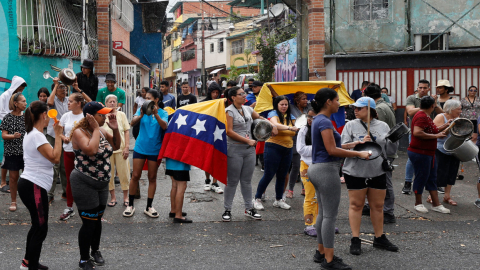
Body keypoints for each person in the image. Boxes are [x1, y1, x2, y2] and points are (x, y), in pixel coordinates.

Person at [308, 88, 370, 270]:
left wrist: (354, 144)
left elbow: (332, 145)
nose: (339, 104)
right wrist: (358, 153)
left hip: (317, 169)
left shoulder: (319, 120)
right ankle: (329, 259)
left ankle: (321, 252)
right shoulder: (325, 122)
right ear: (328, 101)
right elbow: (332, 150)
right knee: (329, 216)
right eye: (337, 100)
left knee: (322, 214)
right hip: (327, 170)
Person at [341, 97, 398, 256]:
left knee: (378, 205)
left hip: (377, 169)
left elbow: (390, 150)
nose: (355, 110)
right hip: (355, 170)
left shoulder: (383, 126)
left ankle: (379, 237)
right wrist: (357, 143)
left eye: (359, 108)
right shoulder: (350, 125)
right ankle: (355, 239)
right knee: (356, 205)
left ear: (370, 110)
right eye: (355, 108)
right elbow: (342, 145)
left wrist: (394, 139)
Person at [70, 101, 120, 269]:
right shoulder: (79, 132)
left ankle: (95, 250)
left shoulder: (104, 130)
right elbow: (91, 150)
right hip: (84, 182)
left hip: (102, 184)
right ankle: (84, 259)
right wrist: (97, 129)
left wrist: (115, 128)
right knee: (89, 223)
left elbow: (117, 146)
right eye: (101, 114)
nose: (105, 116)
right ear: (90, 117)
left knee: (97, 220)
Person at [18, 100, 62, 270]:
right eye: (49, 114)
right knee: (41, 228)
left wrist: (60, 137)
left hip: (32, 184)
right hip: (33, 185)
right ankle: (31, 266)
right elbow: (55, 158)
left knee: (38, 226)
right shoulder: (36, 135)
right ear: (44, 115)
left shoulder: (33, 134)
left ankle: (28, 263)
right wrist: (58, 134)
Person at [221, 87, 275, 222]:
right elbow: (229, 131)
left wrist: (270, 124)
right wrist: (248, 140)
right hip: (234, 149)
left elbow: (260, 118)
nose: (244, 96)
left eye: (244, 93)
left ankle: (249, 208)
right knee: (232, 181)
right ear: (233, 97)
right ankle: (227, 210)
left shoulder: (248, 109)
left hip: (249, 150)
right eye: (241, 94)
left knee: (246, 181)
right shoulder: (229, 111)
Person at [124, 90, 168, 218]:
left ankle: (149, 206)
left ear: (156, 100)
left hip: (154, 149)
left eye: (149, 98)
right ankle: (130, 205)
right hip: (140, 147)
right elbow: (132, 123)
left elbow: (165, 126)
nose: (146, 100)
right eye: (145, 98)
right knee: (135, 175)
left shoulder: (163, 113)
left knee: (152, 177)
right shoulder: (141, 110)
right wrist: (141, 115)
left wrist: (156, 115)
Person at [253, 96, 298, 211]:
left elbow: (293, 133)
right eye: (281, 104)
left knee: (282, 175)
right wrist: (288, 128)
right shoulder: (273, 113)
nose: (284, 106)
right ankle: (257, 198)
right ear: (277, 105)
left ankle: (278, 200)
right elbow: (276, 124)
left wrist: (281, 129)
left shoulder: (291, 116)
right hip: (273, 147)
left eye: (286, 104)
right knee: (268, 174)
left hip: (288, 148)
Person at [408, 96, 450, 214]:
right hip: (420, 152)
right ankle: (418, 203)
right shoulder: (421, 116)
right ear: (432, 106)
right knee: (421, 177)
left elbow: (433, 130)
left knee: (432, 177)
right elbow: (417, 132)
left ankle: (436, 204)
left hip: (428, 153)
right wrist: (436, 136)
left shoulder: (425, 115)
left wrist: (447, 125)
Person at [363, 85, 398, 223]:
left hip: (383, 150)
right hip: (385, 148)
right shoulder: (385, 104)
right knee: (374, 179)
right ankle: (370, 206)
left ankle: (388, 212)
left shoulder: (378, 109)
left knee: (385, 181)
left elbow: (378, 132)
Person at [403, 79, 443, 195]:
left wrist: (434, 103)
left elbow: (441, 112)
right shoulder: (411, 98)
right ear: (417, 88)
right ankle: (407, 182)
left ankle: (432, 184)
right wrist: (426, 106)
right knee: (412, 158)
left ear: (429, 89)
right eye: (420, 87)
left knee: (432, 158)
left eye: (425, 88)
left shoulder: (433, 99)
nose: (422, 90)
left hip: (431, 131)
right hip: (415, 132)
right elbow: (410, 112)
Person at [58, 93, 86, 221]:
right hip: (68, 152)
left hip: (83, 153)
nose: (68, 103)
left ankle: (87, 208)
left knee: (84, 180)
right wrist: (64, 138)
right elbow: (59, 132)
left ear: (79, 103)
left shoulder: (85, 116)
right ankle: (69, 207)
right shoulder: (65, 116)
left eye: (70, 101)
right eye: (68, 101)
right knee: (70, 180)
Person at [432, 100, 461, 207]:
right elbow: (437, 133)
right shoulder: (440, 117)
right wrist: (450, 125)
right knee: (439, 172)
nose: (460, 111)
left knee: (452, 173)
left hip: (454, 149)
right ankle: (431, 196)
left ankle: (447, 196)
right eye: (458, 109)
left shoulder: (458, 119)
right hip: (441, 149)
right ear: (451, 109)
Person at [0, 93, 27, 211]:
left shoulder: (27, 117)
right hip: (12, 152)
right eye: (23, 101)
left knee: (27, 179)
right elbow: (4, 136)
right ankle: (13, 201)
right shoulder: (7, 118)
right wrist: (13, 136)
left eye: (25, 101)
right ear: (16, 103)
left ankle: (28, 201)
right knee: (13, 178)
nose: (26, 104)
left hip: (26, 153)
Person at [103, 95, 131, 208]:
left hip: (121, 149)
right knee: (109, 174)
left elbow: (126, 131)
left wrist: (127, 147)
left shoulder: (121, 115)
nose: (112, 103)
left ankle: (126, 197)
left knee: (124, 173)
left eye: (114, 101)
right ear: (106, 103)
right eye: (110, 101)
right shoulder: (102, 115)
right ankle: (113, 198)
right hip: (106, 150)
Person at [46, 78, 69, 203]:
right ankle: (50, 193)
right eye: (61, 88)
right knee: (54, 166)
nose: (64, 90)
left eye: (65, 88)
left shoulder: (68, 100)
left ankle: (66, 192)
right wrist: (55, 85)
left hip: (65, 136)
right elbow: (49, 103)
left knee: (65, 166)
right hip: (53, 135)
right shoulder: (52, 99)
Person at [286, 91, 312, 198]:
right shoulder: (291, 108)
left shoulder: (308, 108)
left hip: (307, 140)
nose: (306, 101)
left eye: (306, 98)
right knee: (296, 166)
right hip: (295, 140)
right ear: (297, 101)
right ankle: (290, 190)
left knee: (305, 165)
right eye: (303, 99)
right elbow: (280, 98)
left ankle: (304, 188)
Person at [296, 109, 317, 236]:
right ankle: (309, 224)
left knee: (322, 197)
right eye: (309, 117)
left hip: (322, 165)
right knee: (311, 195)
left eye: (313, 117)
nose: (310, 120)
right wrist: (320, 147)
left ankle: (321, 223)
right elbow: (301, 149)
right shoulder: (303, 130)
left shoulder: (325, 129)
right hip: (307, 166)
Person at [201, 82, 224, 194]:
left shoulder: (221, 103)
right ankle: (207, 180)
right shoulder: (203, 103)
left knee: (216, 158)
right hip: (206, 134)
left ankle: (215, 182)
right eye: (213, 92)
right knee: (207, 158)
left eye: (217, 92)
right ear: (210, 92)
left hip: (218, 134)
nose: (215, 94)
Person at [165, 158, 192, 223]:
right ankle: (178, 215)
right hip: (180, 163)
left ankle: (174, 210)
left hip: (170, 162)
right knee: (181, 187)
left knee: (174, 186)